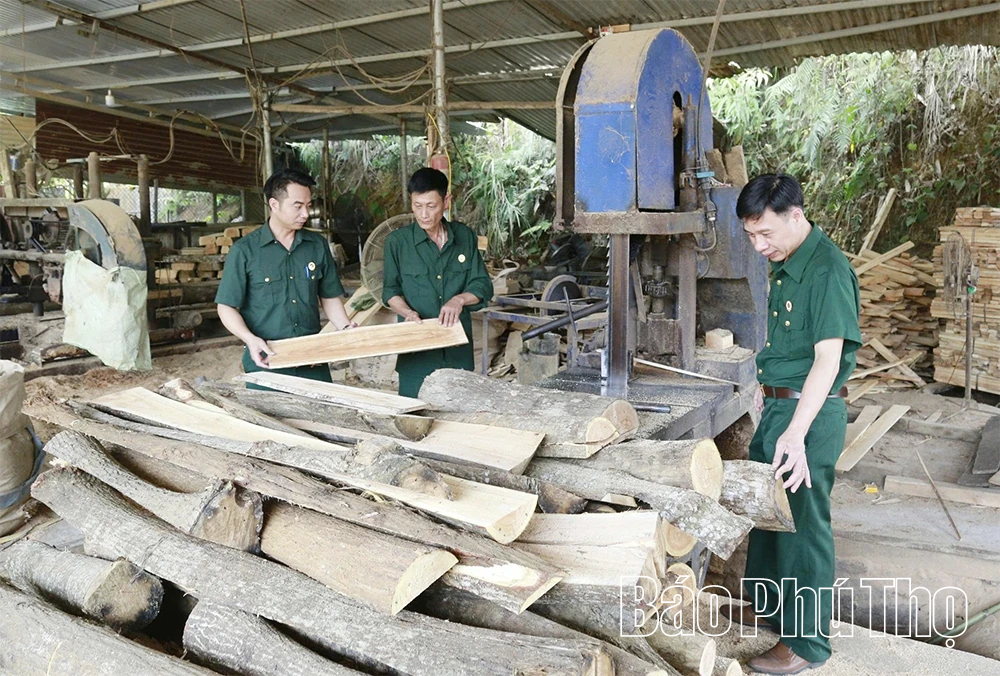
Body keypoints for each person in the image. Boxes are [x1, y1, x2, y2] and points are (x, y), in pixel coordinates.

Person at [728, 174, 861, 675]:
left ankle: (805, 643)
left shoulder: (827, 270)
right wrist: (770, 401)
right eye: (751, 236)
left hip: (810, 414)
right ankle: (769, 611)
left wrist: (796, 432)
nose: (759, 246)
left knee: (803, 526)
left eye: (765, 233)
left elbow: (828, 360)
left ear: (796, 216)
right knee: (769, 514)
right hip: (781, 408)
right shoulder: (787, 263)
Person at [216, 168, 355, 386]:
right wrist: (250, 339)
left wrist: (345, 328)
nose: (306, 214)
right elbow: (226, 307)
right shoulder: (245, 251)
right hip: (266, 360)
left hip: (312, 359)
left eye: (308, 205)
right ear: (274, 204)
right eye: (297, 206)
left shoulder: (316, 245)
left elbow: (329, 296)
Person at [382, 167, 493, 398]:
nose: (424, 214)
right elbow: (390, 290)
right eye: (417, 206)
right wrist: (406, 312)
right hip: (417, 355)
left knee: (458, 414)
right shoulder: (397, 242)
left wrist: (459, 300)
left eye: (431, 206)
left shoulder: (464, 237)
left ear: (446, 202)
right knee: (413, 415)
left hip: (457, 354)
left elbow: (482, 285)